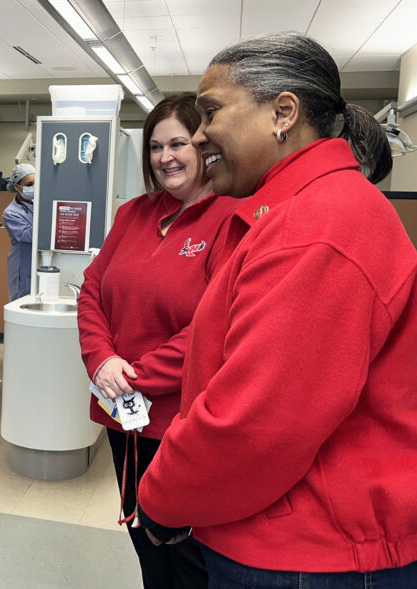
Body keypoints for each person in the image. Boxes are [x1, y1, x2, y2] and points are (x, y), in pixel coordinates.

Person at [137, 32, 417, 586]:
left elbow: (256, 424)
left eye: (211, 111)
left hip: (310, 553)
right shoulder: (291, 213)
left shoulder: (316, 227)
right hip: (292, 535)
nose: (198, 137)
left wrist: (163, 497)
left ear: (282, 113)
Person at [77, 93, 242, 588]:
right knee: (143, 537)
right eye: (154, 146)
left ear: (205, 147)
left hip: (180, 419)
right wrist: (101, 360)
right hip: (121, 412)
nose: (165, 156)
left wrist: (135, 377)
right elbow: (91, 290)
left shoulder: (230, 218)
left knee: (183, 550)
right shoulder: (133, 214)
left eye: (179, 143)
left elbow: (217, 323)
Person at [3, 162, 36, 301]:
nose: (33, 188)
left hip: (36, 262)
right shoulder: (10, 213)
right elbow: (29, 235)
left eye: (36, 183)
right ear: (17, 186)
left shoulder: (37, 202)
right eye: (29, 185)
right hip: (22, 264)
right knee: (21, 302)